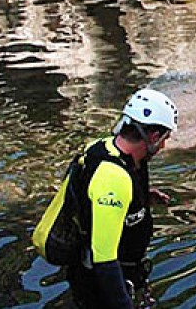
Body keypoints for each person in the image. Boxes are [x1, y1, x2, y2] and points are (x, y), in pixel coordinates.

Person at [34, 88, 178, 308]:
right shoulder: (113, 179)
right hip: (100, 284)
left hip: (112, 273)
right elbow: (105, 260)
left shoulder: (103, 147)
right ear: (154, 136)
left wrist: (139, 199)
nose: (163, 146)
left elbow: (88, 196)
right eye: (164, 138)